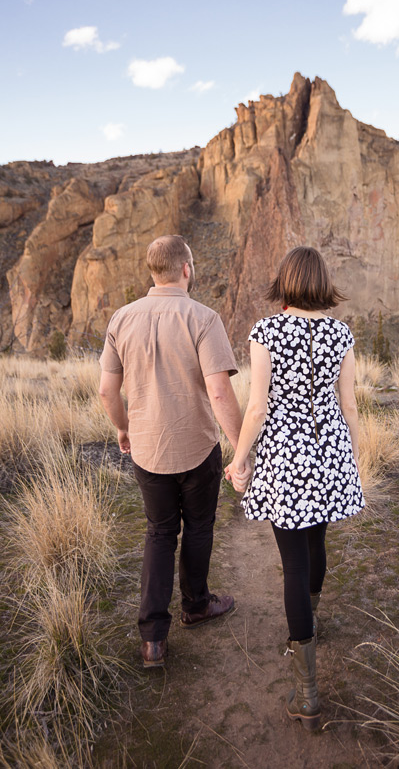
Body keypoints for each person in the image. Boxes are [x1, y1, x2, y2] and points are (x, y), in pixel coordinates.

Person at [224, 246, 364, 731]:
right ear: (322, 283)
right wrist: (354, 460)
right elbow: (348, 407)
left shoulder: (266, 332)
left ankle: (306, 691)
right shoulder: (341, 333)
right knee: (317, 543)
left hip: (286, 458)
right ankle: (313, 622)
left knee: (293, 564)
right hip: (330, 454)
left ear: (285, 282)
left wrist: (239, 460)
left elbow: (258, 408)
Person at [99, 235, 244, 669]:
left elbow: (107, 389)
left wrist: (123, 428)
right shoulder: (203, 317)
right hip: (198, 446)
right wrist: (243, 450)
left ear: (151, 271)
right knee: (199, 526)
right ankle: (196, 605)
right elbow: (220, 393)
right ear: (187, 268)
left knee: (160, 533)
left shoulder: (121, 319)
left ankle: (153, 641)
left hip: (146, 448)